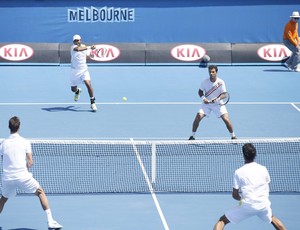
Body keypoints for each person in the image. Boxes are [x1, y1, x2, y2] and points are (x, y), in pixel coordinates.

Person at [0, 116, 62, 229]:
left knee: (3, 199)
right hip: (23, 177)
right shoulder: (25, 142)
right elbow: (30, 162)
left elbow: (3, 158)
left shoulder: (3, 144)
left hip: (7, 178)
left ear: (9, 127)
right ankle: (50, 221)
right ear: (19, 127)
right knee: (40, 192)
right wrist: (26, 167)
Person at [213, 143, 286, 230]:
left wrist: (241, 199)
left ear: (243, 155)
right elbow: (267, 186)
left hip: (247, 206)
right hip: (263, 205)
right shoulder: (263, 169)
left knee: (222, 221)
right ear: (254, 155)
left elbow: (235, 195)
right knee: (273, 219)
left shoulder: (239, 172)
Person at [189, 65, 236, 140]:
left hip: (218, 104)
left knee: (226, 119)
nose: (211, 73)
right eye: (210, 72)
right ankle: (192, 136)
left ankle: (233, 136)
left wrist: (217, 99)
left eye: (213, 72)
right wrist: (204, 99)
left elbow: (224, 95)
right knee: (198, 117)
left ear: (216, 72)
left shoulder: (221, 82)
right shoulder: (204, 81)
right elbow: (200, 92)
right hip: (206, 104)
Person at [70, 34, 97, 111]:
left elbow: (88, 57)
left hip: (84, 70)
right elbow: (78, 50)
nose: (77, 41)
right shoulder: (73, 47)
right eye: (75, 40)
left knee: (88, 84)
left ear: (80, 40)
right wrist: (89, 47)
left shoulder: (85, 48)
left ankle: (92, 102)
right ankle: (78, 91)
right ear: (73, 42)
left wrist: (91, 54)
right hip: (74, 71)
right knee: (73, 89)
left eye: (78, 40)